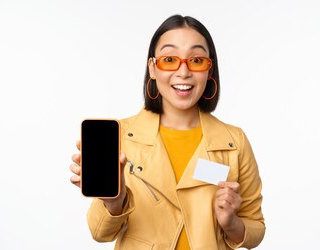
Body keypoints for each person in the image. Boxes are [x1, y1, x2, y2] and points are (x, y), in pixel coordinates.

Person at [69, 14, 265, 250]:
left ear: (209, 70)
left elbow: (256, 228)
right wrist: (114, 201)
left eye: (196, 60)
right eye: (170, 59)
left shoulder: (234, 142)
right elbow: (100, 233)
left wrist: (231, 223)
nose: (183, 72)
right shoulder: (121, 137)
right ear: (152, 68)